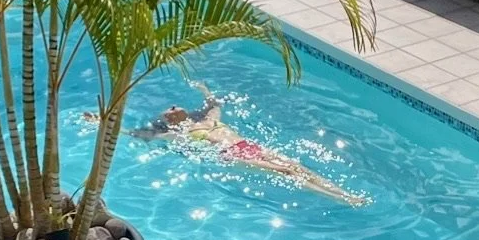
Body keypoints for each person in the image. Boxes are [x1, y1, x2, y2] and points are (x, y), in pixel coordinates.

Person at [128, 85, 367, 205]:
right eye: (169, 111)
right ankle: (342, 199)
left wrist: (204, 90)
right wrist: (104, 121)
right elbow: (141, 135)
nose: (173, 107)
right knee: (284, 171)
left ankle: (341, 191)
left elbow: (214, 104)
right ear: (170, 120)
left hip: (247, 145)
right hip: (231, 155)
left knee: (295, 165)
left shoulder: (208, 120)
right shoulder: (179, 133)